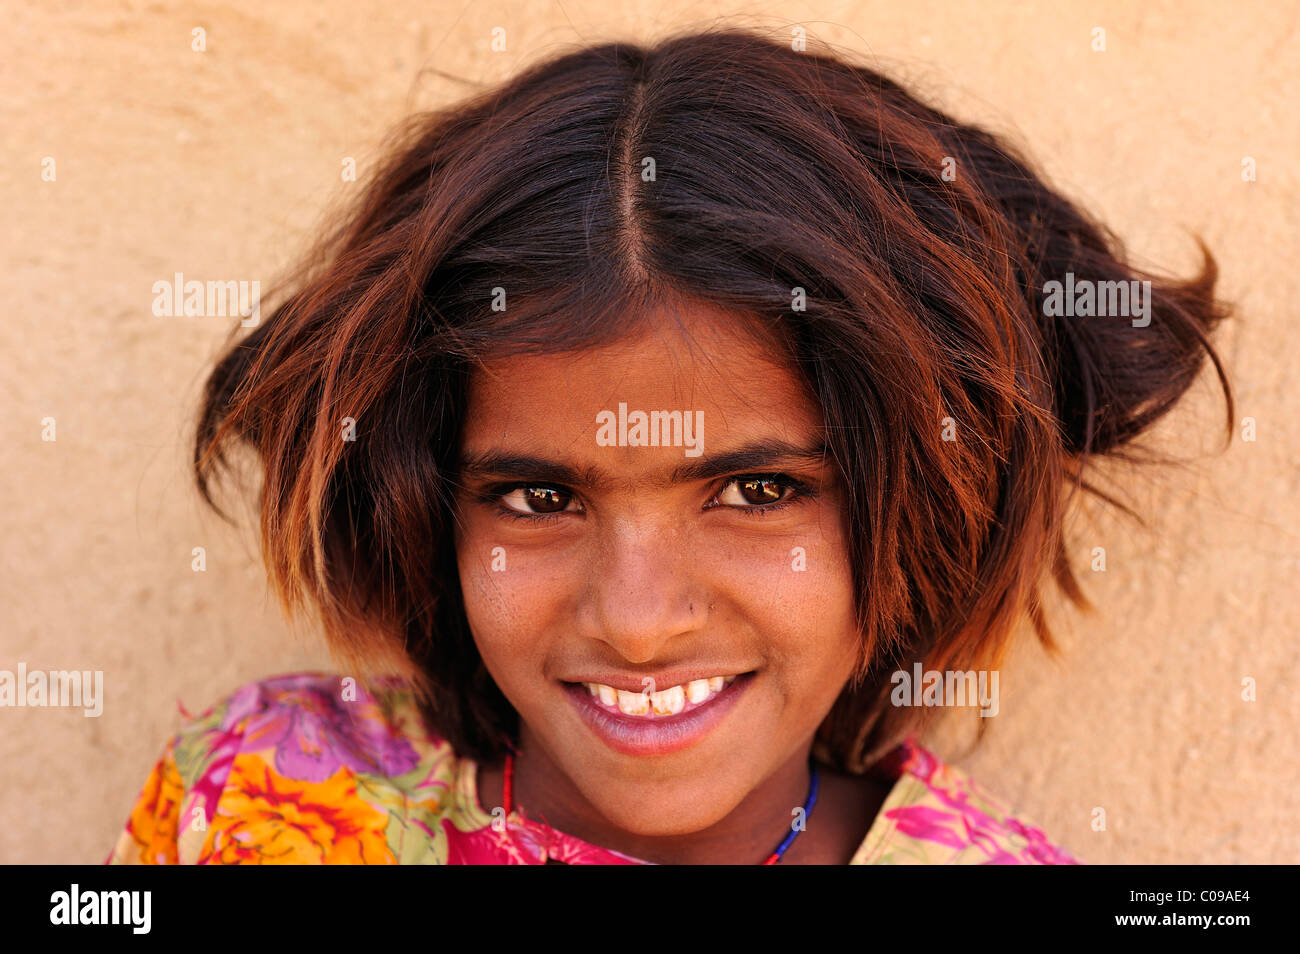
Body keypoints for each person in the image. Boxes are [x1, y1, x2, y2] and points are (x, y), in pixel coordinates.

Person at [107, 27, 1231, 865]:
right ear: (429, 508)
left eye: (756, 488)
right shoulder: (264, 805)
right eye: (537, 499)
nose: (639, 620)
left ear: (920, 503)